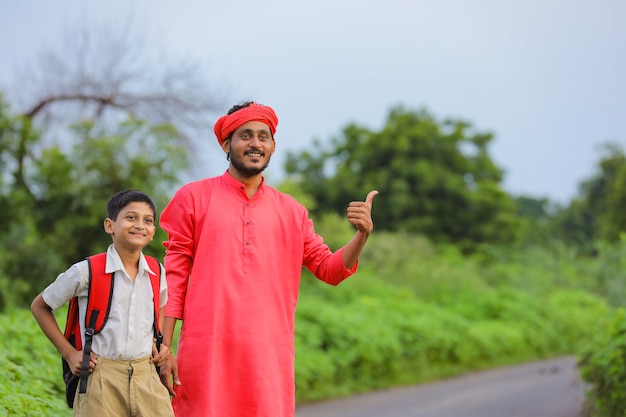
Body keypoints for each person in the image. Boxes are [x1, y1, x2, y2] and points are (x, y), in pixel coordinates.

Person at [158, 101, 378, 417]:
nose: (255, 143)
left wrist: (361, 236)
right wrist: (164, 348)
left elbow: (329, 269)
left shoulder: (292, 212)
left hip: (268, 357)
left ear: (273, 146)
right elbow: (174, 282)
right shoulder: (192, 198)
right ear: (226, 143)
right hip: (206, 352)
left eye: (264, 136)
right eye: (245, 135)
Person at [31, 190, 175, 417]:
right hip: (101, 377)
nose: (140, 225)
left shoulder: (157, 272)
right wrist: (69, 354)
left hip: (146, 374)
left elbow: (163, 305)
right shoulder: (86, 271)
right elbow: (40, 306)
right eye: (130, 217)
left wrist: (164, 344)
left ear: (153, 232)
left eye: (147, 220)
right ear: (110, 225)